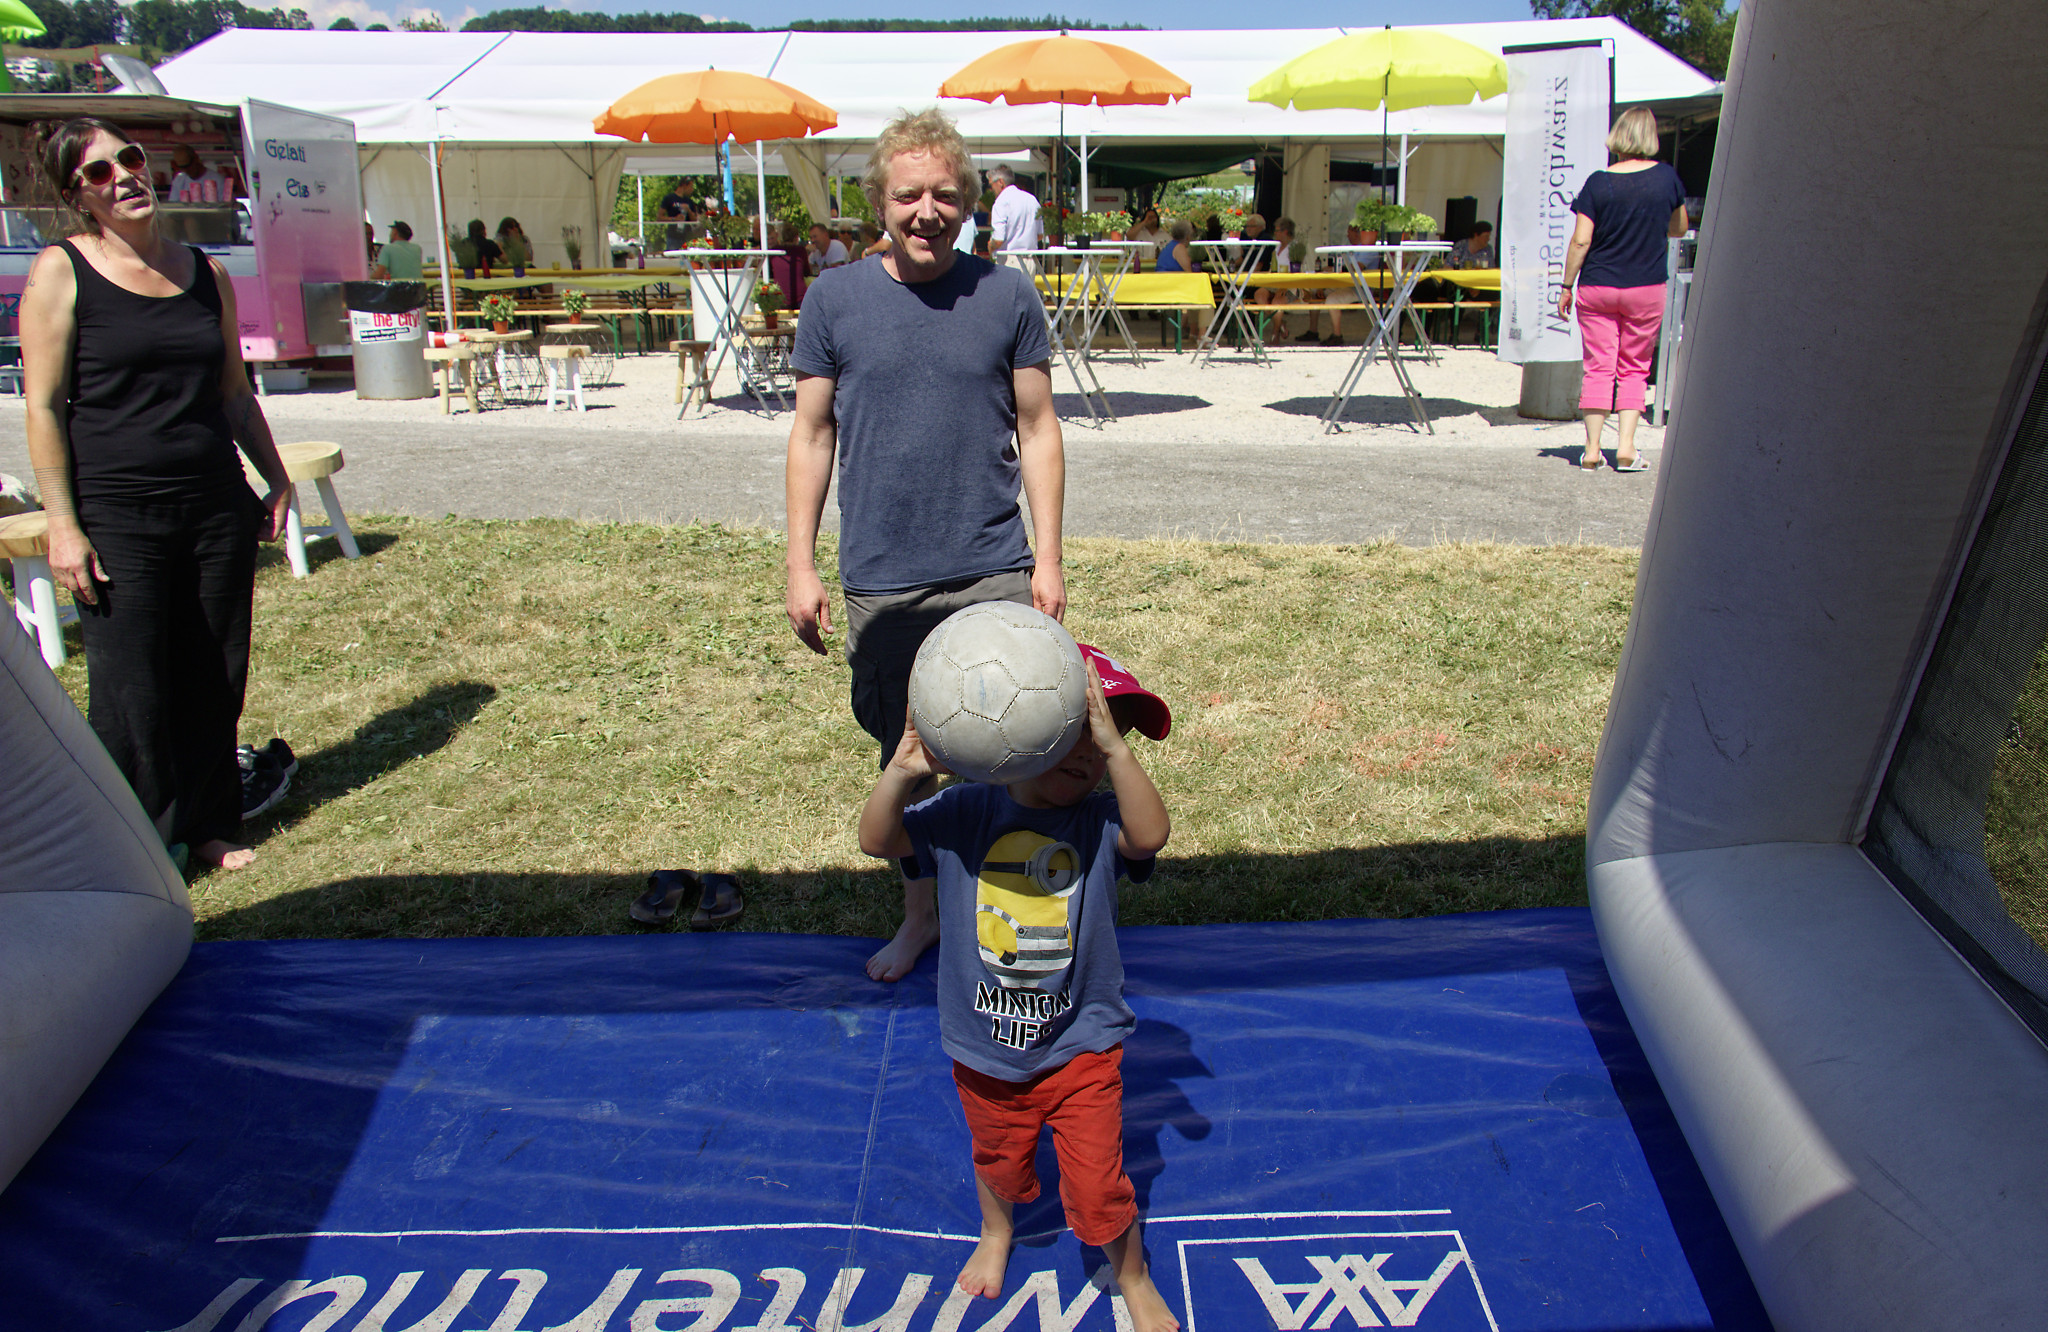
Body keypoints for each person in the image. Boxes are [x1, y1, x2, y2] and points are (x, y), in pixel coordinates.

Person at [786, 107, 1066, 984]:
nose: (927, 212)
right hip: (885, 579)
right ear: (880, 201)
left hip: (992, 571)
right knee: (906, 759)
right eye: (908, 195)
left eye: (945, 195)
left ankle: (1015, 922)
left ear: (969, 203)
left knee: (1015, 751)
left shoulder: (1007, 296)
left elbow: (1038, 427)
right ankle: (922, 917)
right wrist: (799, 564)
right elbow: (811, 435)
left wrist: (1048, 559)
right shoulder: (834, 299)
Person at [859, 646, 1175, 1331]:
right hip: (985, 1049)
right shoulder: (965, 810)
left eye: (1105, 737)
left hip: (1082, 1046)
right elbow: (878, 841)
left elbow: (1151, 836)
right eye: (1080, 730)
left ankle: (1132, 1273)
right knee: (998, 1158)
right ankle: (996, 1231)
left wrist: (1118, 752)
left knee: (1099, 1181)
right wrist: (903, 771)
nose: (1090, 753)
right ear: (1022, 721)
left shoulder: (1098, 821)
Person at [20, 118, 293, 871]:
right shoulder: (61, 271)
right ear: (77, 195)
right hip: (117, 511)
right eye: (99, 172)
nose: (124, 177)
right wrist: (63, 525)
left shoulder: (206, 273)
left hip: (213, 502)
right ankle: (131, 845)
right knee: (131, 687)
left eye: (130, 158)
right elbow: (42, 407)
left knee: (214, 669)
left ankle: (207, 826)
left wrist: (274, 476)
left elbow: (233, 391)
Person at [1558, 106, 1688, 473]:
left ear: (1618, 136)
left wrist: (1566, 285)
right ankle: (1627, 447)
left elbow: (1581, 240)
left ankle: (1591, 450)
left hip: (1598, 286)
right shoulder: (1667, 178)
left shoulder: (1598, 182)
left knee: (1598, 367)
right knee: (1635, 366)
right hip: (1646, 286)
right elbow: (1679, 228)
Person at [1253, 216, 1308, 338]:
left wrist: (1284, 286)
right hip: (1274, 283)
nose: (1275, 233)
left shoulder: (1295, 248)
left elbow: (1298, 271)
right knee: (1259, 295)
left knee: (1277, 302)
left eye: (1277, 231)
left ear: (1285, 232)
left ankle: (1275, 332)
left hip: (1291, 286)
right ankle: (1280, 322)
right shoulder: (1277, 247)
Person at [985, 163, 1041, 268]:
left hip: (1009, 260)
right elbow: (1039, 235)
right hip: (1031, 260)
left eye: (991, 185)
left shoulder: (1001, 202)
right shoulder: (1032, 200)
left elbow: (998, 240)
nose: (991, 189)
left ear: (1000, 182)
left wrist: (990, 245)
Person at [658, 178, 698, 250]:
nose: (692, 189)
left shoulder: (689, 201)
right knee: (673, 255)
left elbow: (695, 221)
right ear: (684, 185)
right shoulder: (669, 198)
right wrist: (674, 219)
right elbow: (659, 217)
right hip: (673, 236)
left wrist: (688, 210)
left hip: (687, 237)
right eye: (691, 186)